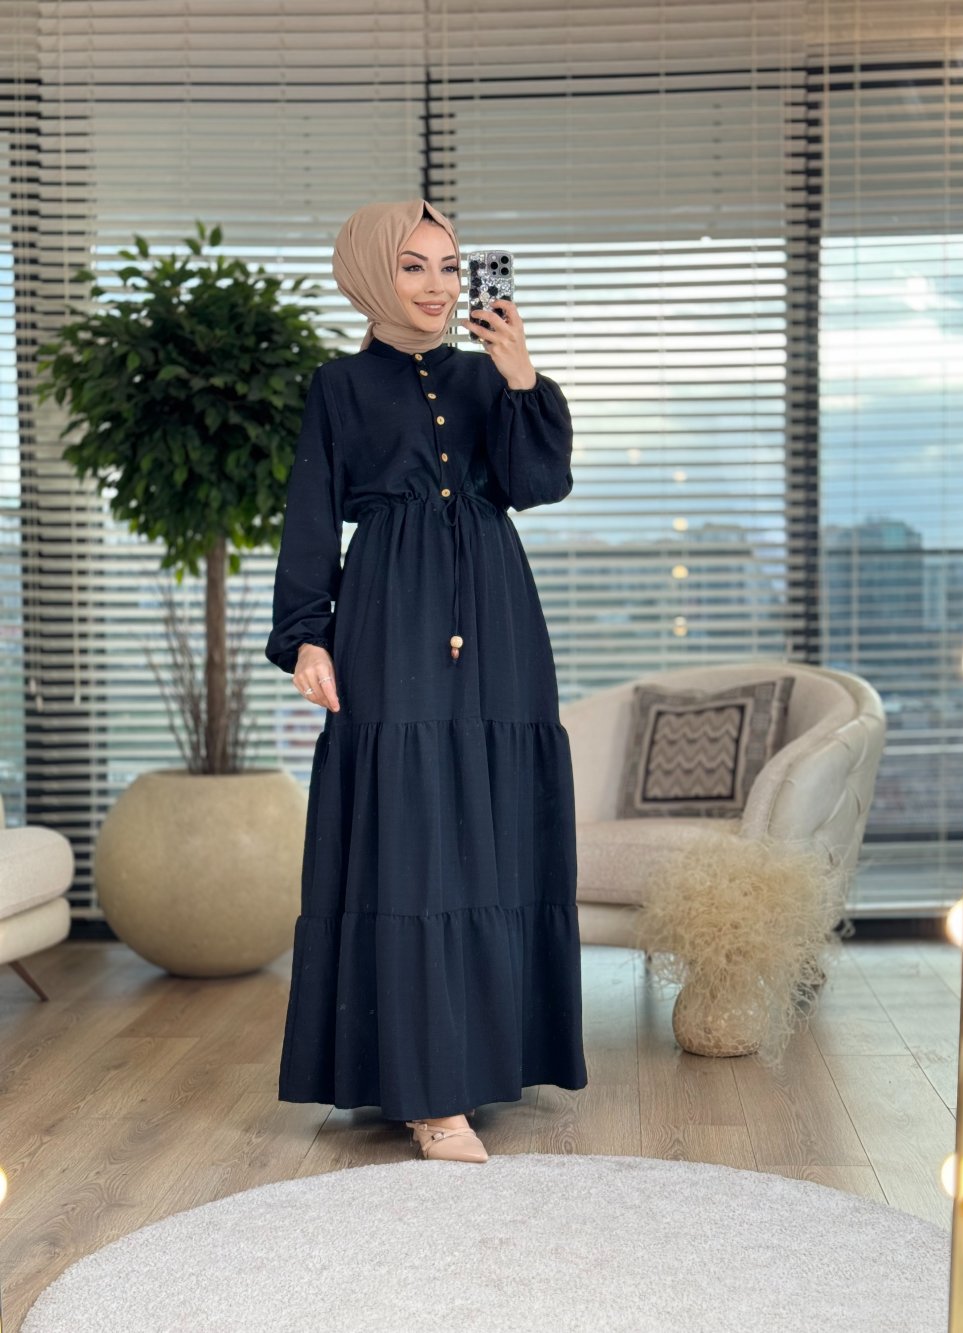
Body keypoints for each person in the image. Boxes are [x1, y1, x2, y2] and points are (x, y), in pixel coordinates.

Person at [265, 197, 588, 1164]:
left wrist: (521, 374)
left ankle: (488, 1058)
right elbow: (311, 514)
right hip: (389, 614)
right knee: (407, 835)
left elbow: (537, 486)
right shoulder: (338, 386)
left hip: (497, 612)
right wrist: (306, 636)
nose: (439, 287)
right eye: (413, 266)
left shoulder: (490, 377)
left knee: (493, 826)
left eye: (450, 267)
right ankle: (428, 1090)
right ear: (372, 273)